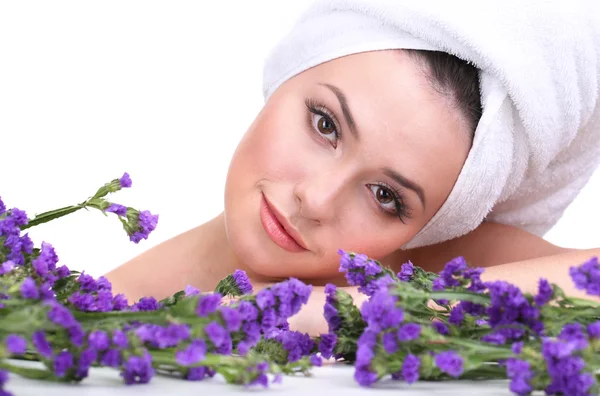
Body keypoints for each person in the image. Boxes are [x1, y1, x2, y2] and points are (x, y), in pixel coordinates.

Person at [105, 0, 600, 335]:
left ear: (436, 226)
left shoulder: (423, 266)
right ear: (287, 74)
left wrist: (331, 310)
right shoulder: (88, 308)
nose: (316, 199)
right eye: (325, 125)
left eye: (387, 197)